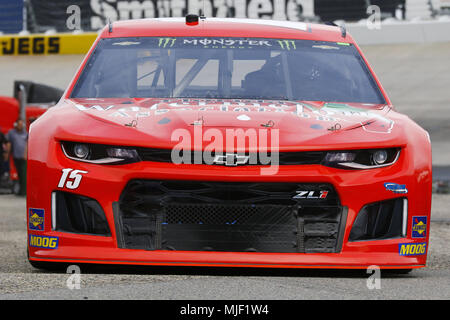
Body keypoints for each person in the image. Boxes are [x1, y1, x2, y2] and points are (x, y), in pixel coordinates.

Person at [5, 119, 28, 196]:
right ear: (16, 125)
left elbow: (27, 144)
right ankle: (21, 191)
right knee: (19, 174)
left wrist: (25, 154)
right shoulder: (12, 133)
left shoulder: (25, 134)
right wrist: (7, 154)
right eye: (19, 124)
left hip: (24, 157)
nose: (20, 126)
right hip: (16, 156)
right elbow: (8, 142)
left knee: (23, 174)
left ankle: (24, 192)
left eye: (21, 125)